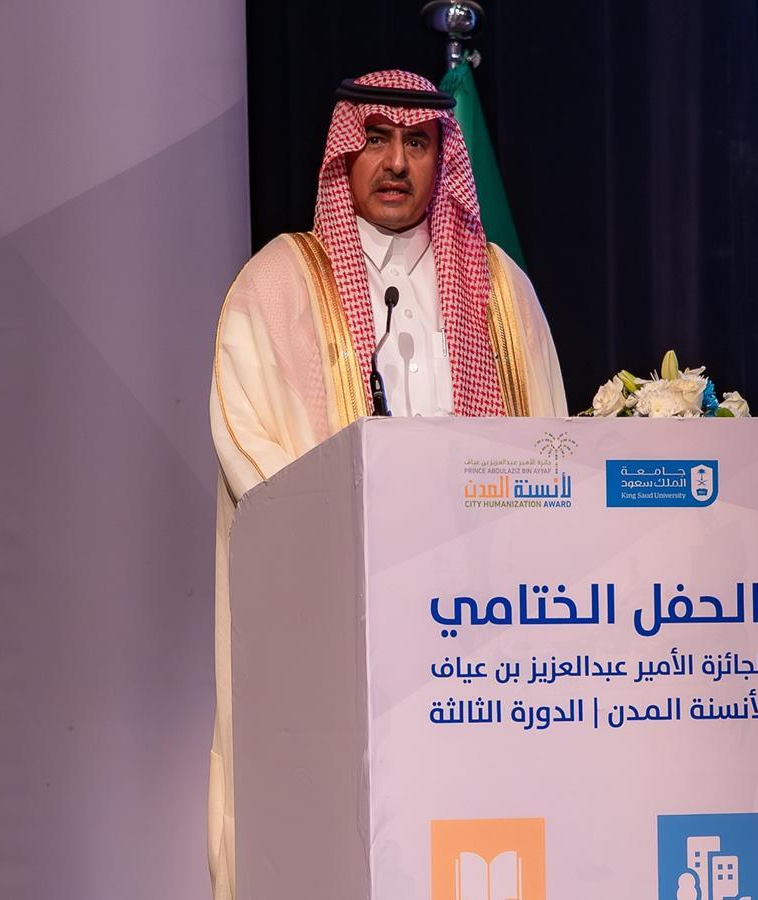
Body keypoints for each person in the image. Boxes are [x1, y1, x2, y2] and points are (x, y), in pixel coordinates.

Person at [205, 69, 566, 898]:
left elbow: (551, 446)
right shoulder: (276, 284)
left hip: (475, 635)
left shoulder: (501, 292)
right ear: (345, 154)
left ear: (443, 157)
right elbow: (247, 445)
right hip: (329, 621)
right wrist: (354, 550)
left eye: (417, 142)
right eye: (375, 139)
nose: (396, 161)